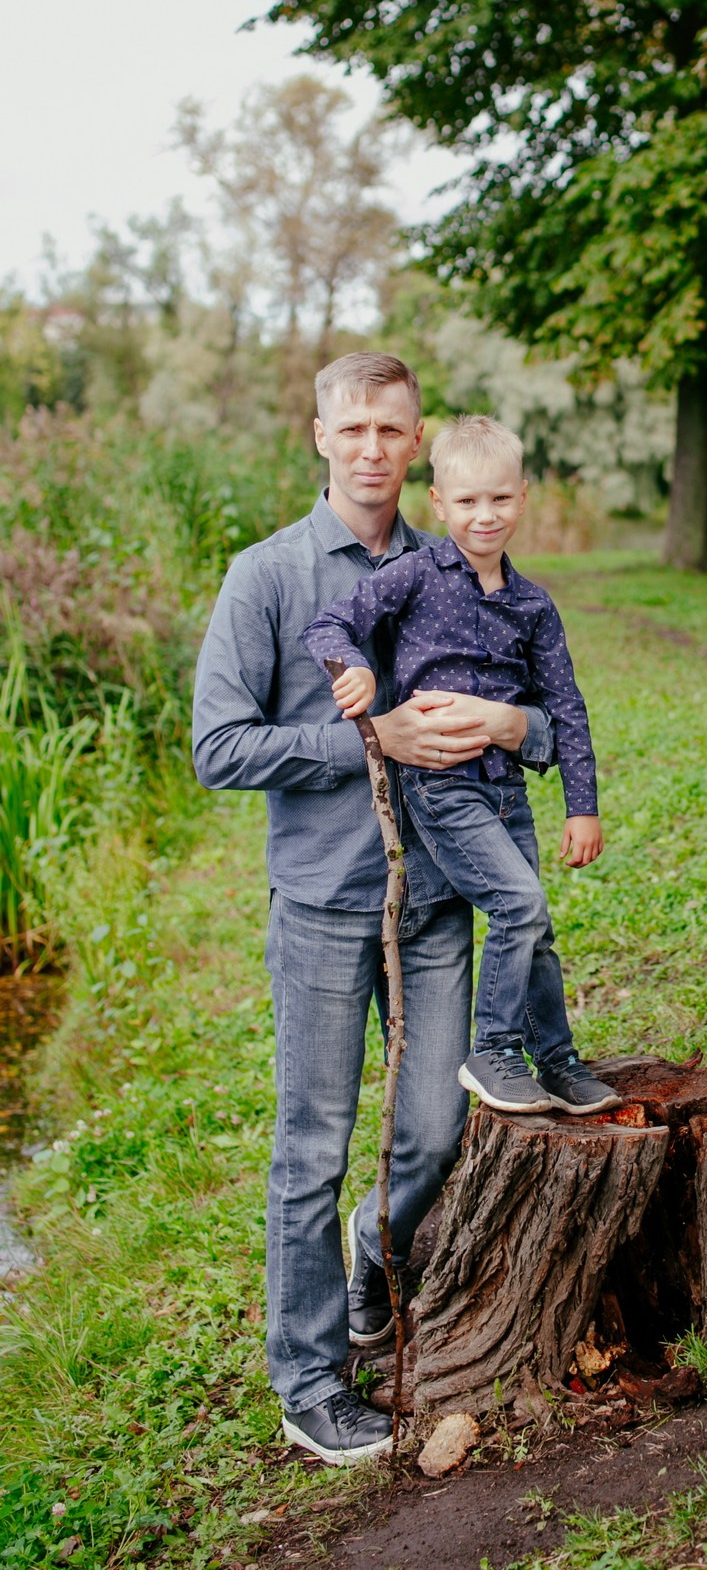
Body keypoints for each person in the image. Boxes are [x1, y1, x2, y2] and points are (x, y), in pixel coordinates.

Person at [193, 354, 558, 1468]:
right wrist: (370, 739)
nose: (370, 448)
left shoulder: (463, 564)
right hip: (322, 902)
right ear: (320, 436)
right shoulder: (268, 575)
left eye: (390, 430)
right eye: (351, 428)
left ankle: (374, 1240)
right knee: (310, 1147)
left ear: (416, 442)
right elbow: (218, 746)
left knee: (436, 1130)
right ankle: (309, 1383)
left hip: (436, 902)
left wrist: (512, 727)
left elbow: (546, 715)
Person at [303, 412, 620, 1120]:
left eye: (500, 498)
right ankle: (495, 1052)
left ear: (523, 498)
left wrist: (583, 806)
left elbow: (566, 708)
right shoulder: (414, 575)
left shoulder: (533, 606)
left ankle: (557, 1060)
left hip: (507, 791)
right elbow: (329, 624)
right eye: (468, 500)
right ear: (440, 504)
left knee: (535, 930)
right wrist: (354, 667)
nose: (485, 515)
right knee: (518, 904)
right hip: (441, 786)